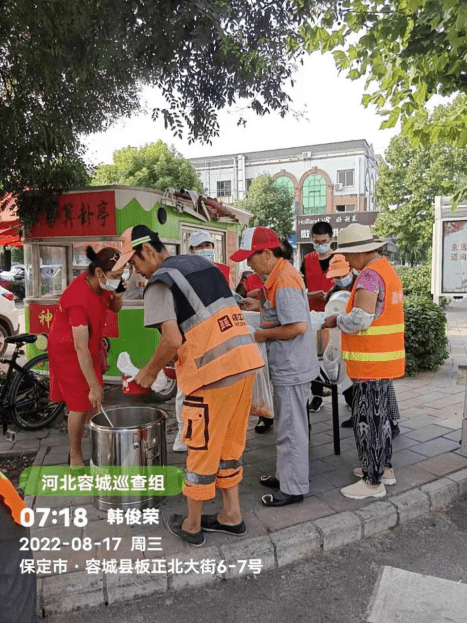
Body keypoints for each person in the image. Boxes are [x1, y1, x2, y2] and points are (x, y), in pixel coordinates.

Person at [113, 225, 264, 547]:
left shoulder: (160, 282)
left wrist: (149, 373)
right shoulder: (202, 265)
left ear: (148, 251)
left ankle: (192, 525)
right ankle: (231, 516)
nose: (136, 272)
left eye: (134, 263)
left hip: (211, 376)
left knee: (201, 451)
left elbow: (171, 339)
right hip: (244, 364)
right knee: (229, 448)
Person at [233, 226, 319, 507]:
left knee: (291, 429)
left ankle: (293, 488)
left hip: (292, 366)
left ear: (267, 254)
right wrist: (257, 305)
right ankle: (286, 475)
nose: (248, 264)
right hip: (288, 365)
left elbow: (297, 326)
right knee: (286, 425)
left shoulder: (284, 279)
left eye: (251, 257)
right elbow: (280, 312)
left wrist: (262, 335)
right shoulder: (278, 275)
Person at [323, 224, 405, 500]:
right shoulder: (386, 270)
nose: (347, 261)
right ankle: (384, 469)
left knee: (369, 421)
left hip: (370, 363)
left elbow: (360, 319)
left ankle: (372, 481)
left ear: (360, 252)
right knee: (381, 420)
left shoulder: (369, 276)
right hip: (384, 360)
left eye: (348, 255)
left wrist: (335, 320)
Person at [48, 247, 125, 466]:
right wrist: (93, 385)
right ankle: (75, 455)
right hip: (69, 353)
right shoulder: (77, 298)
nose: (119, 280)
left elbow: (115, 308)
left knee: (94, 401)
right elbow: (80, 348)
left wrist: (118, 294)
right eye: (116, 276)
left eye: (121, 275)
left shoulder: (100, 285)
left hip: (91, 346)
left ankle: (97, 447)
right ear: (99, 272)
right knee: (79, 404)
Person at [171, 229, 233, 453]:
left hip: (215, 335)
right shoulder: (181, 273)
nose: (206, 250)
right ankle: (182, 432)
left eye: (209, 246)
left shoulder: (220, 270)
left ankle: (212, 428)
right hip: (189, 335)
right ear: (191, 250)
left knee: (214, 385)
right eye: (201, 247)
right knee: (185, 387)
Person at [301, 221, 335, 412]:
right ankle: (317, 394)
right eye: (316, 241)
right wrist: (311, 295)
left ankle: (349, 394)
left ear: (330, 239)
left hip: (335, 313)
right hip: (313, 314)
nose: (320, 244)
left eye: (323, 241)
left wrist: (330, 295)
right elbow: (300, 286)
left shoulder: (339, 259)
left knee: (338, 355)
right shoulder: (307, 260)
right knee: (311, 356)